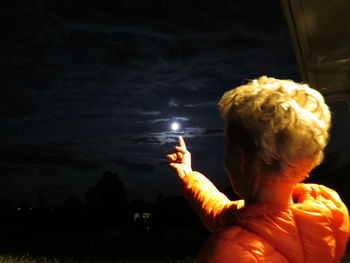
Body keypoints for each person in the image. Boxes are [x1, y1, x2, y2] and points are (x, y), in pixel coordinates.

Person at [167, 76, 349, 263]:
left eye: (227, 145)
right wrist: (188, 174)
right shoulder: (326, 216)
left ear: (240, 158)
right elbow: (223, 213)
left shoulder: (228, 253)